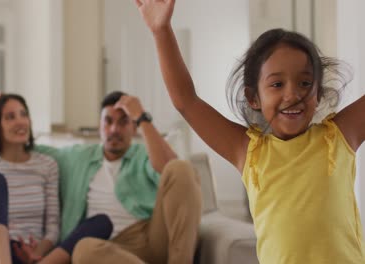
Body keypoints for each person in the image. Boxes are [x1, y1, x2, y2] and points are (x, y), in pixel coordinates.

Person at [135, 0, 365, 263]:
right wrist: (161, 30)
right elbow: (186, 101)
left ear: (319, 93)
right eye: (277, 84)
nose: (292, 94)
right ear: (253, 97)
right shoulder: (249, 152)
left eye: (305, 82)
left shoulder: (338, 136)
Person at [0, 90, 202, 264]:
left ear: (133, 126)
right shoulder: (76, 156)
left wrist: (143, 118)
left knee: (181, 168)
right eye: (108, 121)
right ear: (98, 125)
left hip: (148, 237)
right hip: (104, 252)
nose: (114, 129)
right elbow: (19, 147)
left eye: (123, 122)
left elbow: (172, 170)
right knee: (84, 249)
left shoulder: (144, 152)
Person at [0, 82, 113, 264]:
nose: (20, 121)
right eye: (10, 117)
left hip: (33, 254)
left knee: (102, 222)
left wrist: (37, 252)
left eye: (24, 114)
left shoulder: (47, 165)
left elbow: (53, 226)